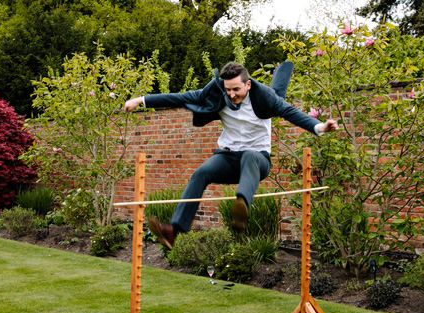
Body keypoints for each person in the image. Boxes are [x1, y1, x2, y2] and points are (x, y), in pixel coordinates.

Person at [122, 61, 338, 249]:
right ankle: (174, 230)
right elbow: (179, 98)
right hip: (227, 158)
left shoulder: (265, 98)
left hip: (257, 161)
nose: (232, 94)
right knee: (201, 172)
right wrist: (140, 100)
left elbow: (292, 113)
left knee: (250, 156)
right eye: (228, 90)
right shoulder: (216, 92)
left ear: (248, 84)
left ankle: (241, 206)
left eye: (236, 89)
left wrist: (319, 127)